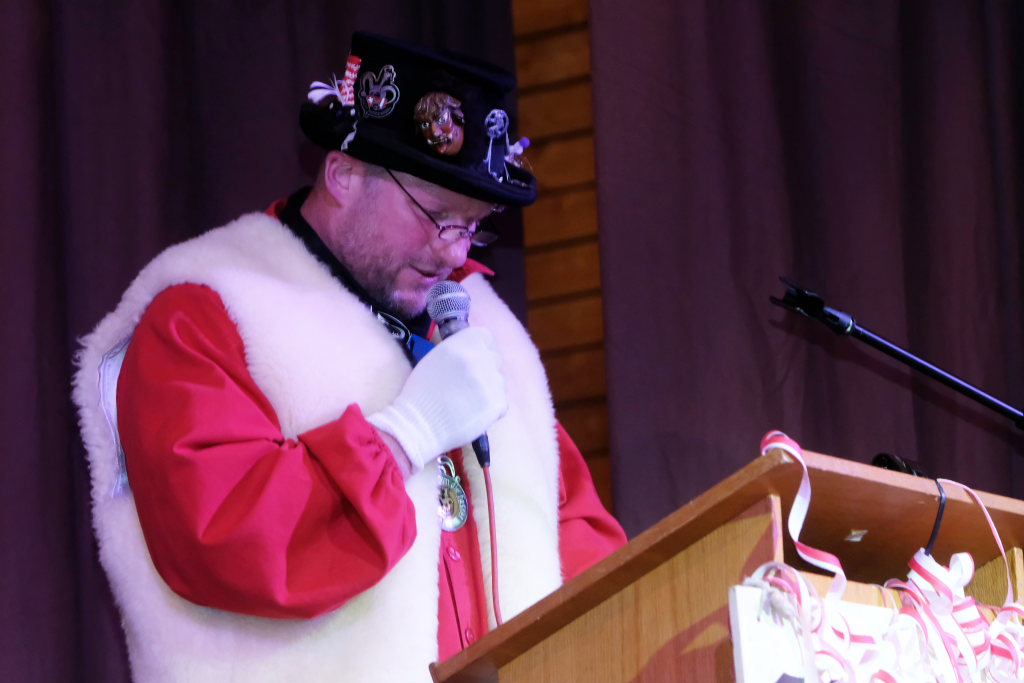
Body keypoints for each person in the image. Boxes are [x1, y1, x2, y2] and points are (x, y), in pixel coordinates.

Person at [73, 31, 626, 683]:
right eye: (436, 214)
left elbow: (579, 538)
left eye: (474, 226)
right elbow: (225, 535)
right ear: (343, 174)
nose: (454, 251)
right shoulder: (207, 312)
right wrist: (405, 436)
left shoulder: (482, 328)